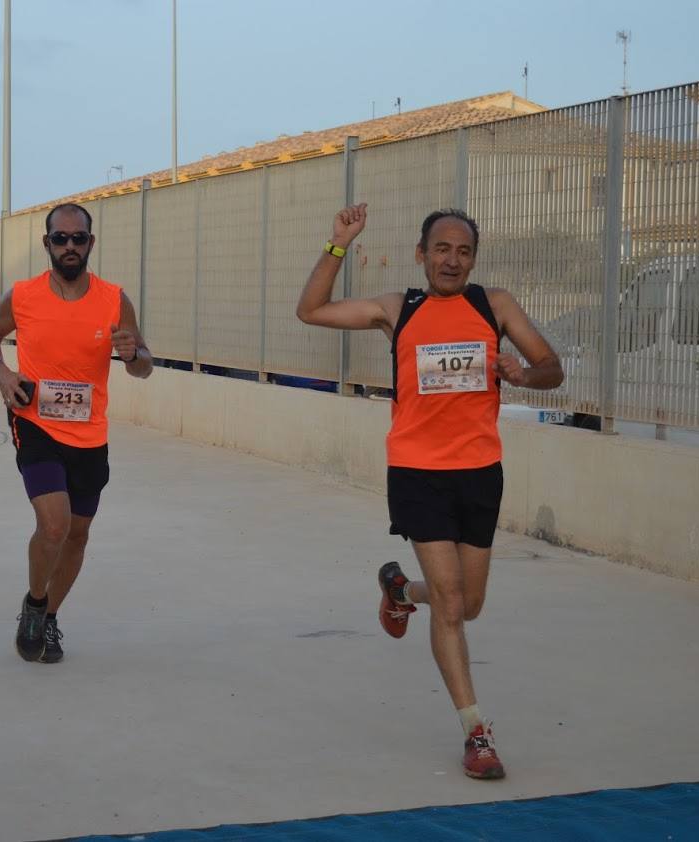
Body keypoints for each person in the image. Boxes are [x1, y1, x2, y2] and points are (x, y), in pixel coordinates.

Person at [296, 205, 564, 779]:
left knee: (469, 602)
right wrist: (338, 244)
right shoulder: (400, 309)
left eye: (463, 251)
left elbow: (552, 368)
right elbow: (311, 310)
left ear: (474, 258)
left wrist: (523, 374)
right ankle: (476, 732)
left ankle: (398, 590)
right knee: (450, 605)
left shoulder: (495, 306)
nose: (452, 259)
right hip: (417, 472)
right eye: (441, 249)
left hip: (479, 471)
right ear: (422, 254)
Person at [0, 203, 152, 664]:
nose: (70, 246)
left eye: (79, 238)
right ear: (47, 244)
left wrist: (134, 353)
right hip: (35, 423)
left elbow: (143, 368)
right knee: (52, 526)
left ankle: (50, 615)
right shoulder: (23, 296)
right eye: (61, 238)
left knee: (77, 536)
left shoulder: (115, 300)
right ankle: (35, 605)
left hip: (90, 435)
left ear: (90, 244)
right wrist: (4, 376)